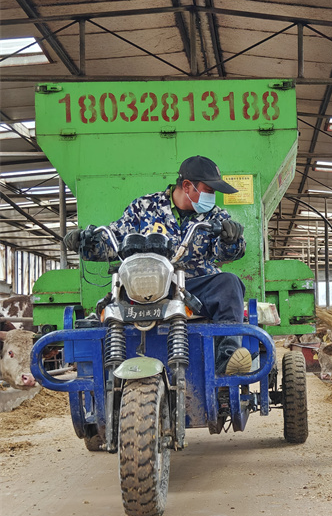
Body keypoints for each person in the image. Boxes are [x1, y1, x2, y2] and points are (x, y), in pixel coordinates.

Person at [63, 155, 252, 375]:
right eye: (208, 190)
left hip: (192, 289)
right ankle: (109, 378)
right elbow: (112, 241)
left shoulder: (215, 216)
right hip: (145, 287)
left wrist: (231, 239)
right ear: (187, 186)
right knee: (110, 306)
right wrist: (84, 243)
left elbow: (227, 252)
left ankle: (228, 360)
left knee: (229, 283)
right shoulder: (144, 208)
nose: (212, 196)